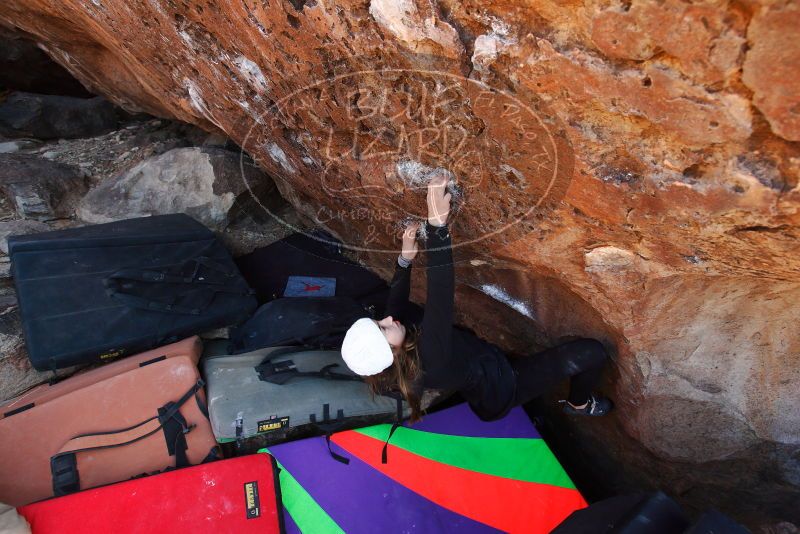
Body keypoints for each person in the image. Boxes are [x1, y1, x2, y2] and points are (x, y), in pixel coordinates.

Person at [340, 172, 612, 423]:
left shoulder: (397, 342)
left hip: (482, 361)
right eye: (383, 328)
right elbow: (440, 295)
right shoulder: (430, 359)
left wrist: (404, 260)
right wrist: (436, 226)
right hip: (503, 386)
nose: (388, 319)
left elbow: (395, 305)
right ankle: (578, 403)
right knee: (592, 352)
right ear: (392, 352)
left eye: (378, 322)